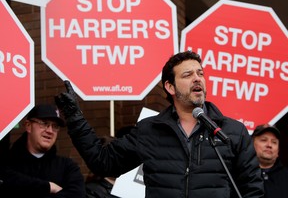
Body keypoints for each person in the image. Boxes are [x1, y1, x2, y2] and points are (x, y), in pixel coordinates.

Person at [55, 50, 264, 198]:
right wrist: (75, 118)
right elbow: (103, 161)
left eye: (200, 73)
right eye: (188, 75)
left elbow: (252, 189)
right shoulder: (149, 131)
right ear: (170, 87)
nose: (197, 79)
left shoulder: (232, 132)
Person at [0, 104, 86, 198]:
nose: (50, 130)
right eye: (44, 123)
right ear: (28, 126)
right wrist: (48, 187)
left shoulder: (67, 167)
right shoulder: (8, 164)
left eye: (55, 126)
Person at [252, 124, 288, 198]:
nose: (269, 145)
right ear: (251, 144)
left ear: (278, 150)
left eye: (274, 142)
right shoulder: (239, 173)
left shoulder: (286, 176)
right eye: (264, 140)